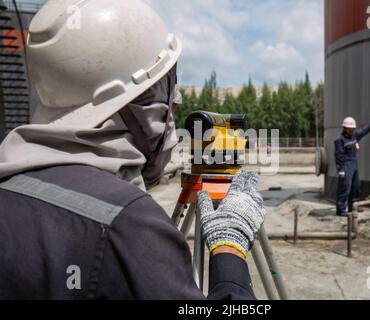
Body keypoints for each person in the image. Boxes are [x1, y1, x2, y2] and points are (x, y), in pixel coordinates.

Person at [0, 0, 265, 300]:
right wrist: (229, 251)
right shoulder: (131, 226)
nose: (172, 106)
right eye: (165, 89)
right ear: (139, 101)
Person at [334, 116, 370, 216]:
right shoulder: (339, 140)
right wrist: (341, 169)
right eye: (350, 129)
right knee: (345, 187)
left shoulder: (354, 136)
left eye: (353, 129)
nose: (352, 130)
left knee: (356, 186)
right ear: (345, 128)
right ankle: (341, 210)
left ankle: (353, 207)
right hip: (346, 165)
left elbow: (364, 131)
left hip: (354, 164)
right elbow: (338, 156)